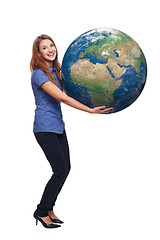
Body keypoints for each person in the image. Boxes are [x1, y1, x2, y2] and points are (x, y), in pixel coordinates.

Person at [30, 34, 113, 229]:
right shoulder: (38, 74)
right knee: (59, 171)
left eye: (52, 45)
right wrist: (90, 111)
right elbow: (63, 98)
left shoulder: (54, 71)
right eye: (44, 47)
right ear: (38, 53)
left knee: (65, 169)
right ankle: (41, 212)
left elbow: (72, 91)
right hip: (45, 128)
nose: (50, 49)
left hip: (58, 127)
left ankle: (49, 208)